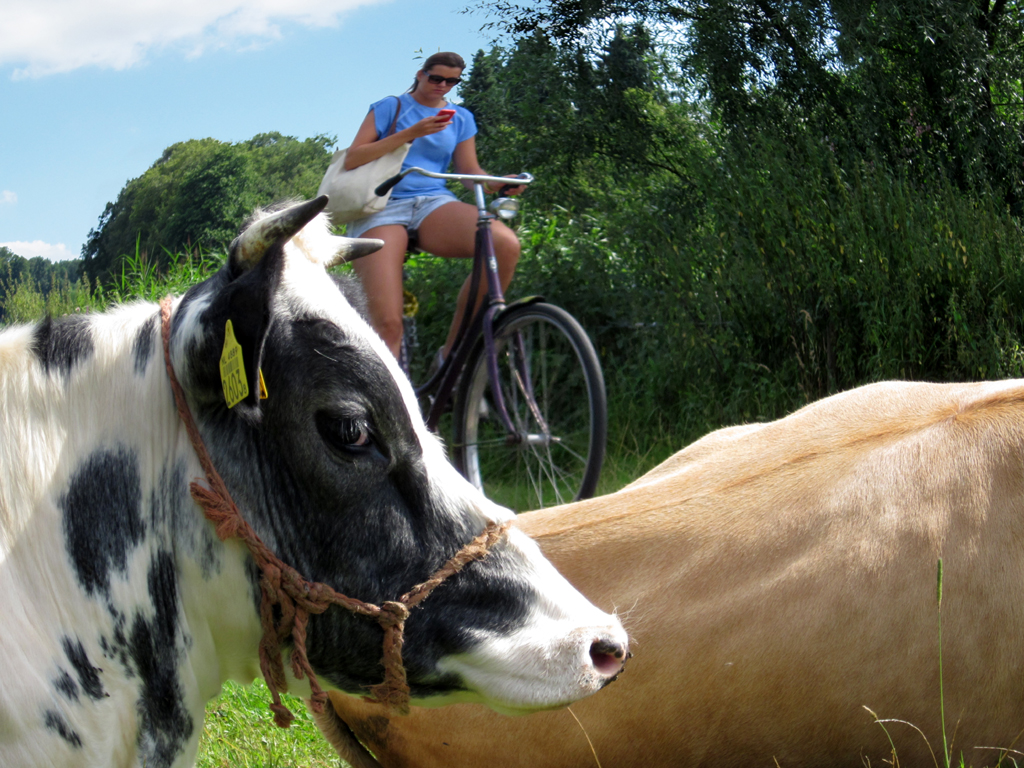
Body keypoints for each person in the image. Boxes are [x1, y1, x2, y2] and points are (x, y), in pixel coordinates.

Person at [342, 51, 524, 363]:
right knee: (387, 324)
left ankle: (453, 356)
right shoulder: (391, 107)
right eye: (436, 77)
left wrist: (496, 182)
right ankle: (391, 405)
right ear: (420, 74)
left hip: (432, 202)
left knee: (504, 244)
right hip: (381, 204)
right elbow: (353, 158)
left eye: (452, 81)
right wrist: (412, 132)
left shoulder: (461, 118)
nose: (443, 85)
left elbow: (469, 173)